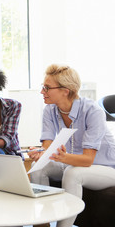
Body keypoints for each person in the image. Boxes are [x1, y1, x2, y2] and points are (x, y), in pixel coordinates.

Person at [28, 64, 115, 227]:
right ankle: (42, 224)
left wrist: (62, 157)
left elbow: (88, 160)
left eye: (47, 88)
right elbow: (46, 148)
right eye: (43, 87)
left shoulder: (93, 111)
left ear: (65, 90)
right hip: (73, 161)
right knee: (38, 166)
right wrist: (40, 154)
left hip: (106, 167)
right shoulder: (50, 110)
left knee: (72, 173)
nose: (42, 92)